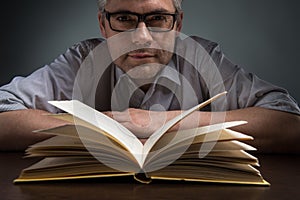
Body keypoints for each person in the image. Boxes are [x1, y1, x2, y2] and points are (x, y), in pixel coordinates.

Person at [0, 0, 299, 153]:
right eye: (124, 19)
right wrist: (106, 126)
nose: (142, 37)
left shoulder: (201, 58)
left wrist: (159, 122)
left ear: (177, 23)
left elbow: (288, 124)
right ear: (103, 26)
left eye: (157, 18)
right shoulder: (83, 61)